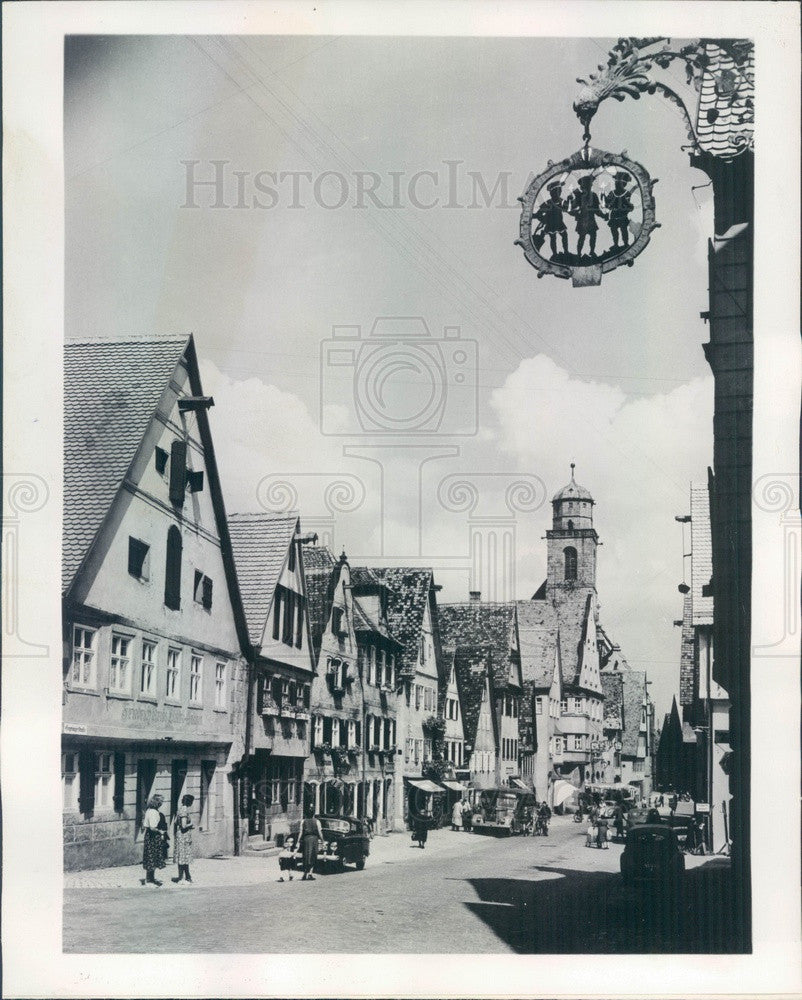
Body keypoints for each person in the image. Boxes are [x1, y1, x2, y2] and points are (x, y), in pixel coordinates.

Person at [567, 174, 607, 256]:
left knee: (593, 236)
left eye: (590, 184)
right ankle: (579, 254)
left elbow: (597, 210)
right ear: (584, 186)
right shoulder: (579, 196)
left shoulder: (594, 196)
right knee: (582, 237)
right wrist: (571, 205)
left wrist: (603, 216)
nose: (590, 186)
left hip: (591, 220)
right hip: (582, 220)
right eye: (589, 184)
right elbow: (572, 209)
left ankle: (591, 251)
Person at [533, 181, 569, 258]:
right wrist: (544, 220)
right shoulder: (548, 203)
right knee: (553, 238)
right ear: (553, 193)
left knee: (564, 235)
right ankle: (555, 254)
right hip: (551, 224)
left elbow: (568, 208)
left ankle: (566, 252)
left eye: (560, 191)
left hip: (559, 223)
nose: (559, 193)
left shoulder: (561, 201)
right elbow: (539, 214)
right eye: (558, 191)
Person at [604, 171, 634, 248]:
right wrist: (603, 196)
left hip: (622, 215)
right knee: (614, 230)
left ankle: (626, 243)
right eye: (616, 183)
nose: (616, 184)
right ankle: (616, 244)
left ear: (623, 184)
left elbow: (628, 204)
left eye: (618, 183)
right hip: (614, 215)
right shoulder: (612, 193)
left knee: (623, 230)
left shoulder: (626, 193)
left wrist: (627, 207)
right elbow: (607, 202)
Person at [141, 794, 166, 886]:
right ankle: (148, 880)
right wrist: (161, 832)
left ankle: (151, 878)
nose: (162, 803)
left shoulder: (149, 810)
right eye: (161, 801)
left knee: (152, 857)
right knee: (151, 857)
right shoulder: (153, 812)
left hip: (150, 836)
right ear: (157, 802)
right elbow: (152, 827)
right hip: (153, 836)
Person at [171, 793, 195, 883]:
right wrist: (191, 824)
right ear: (190, 802)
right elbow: (184, 826)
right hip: (183, 836)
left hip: (180, 836)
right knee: (183, 857)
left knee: (182, 857)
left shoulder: (180, 809)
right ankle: (182, 877)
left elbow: (176, 822)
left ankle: (186, 876)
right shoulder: (184, 810)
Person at [300, 805, 324, 880]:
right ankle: (310, 873)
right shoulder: (317, 821)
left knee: (306, 856)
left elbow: (300, 832)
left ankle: (304, 873)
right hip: (314, 839)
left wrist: (298, 840)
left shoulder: (303, 821)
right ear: (313, 814)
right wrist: (323, 840)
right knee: (313, 856)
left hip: (306, 839)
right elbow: (320, 832)